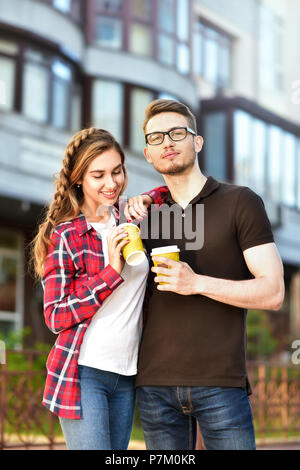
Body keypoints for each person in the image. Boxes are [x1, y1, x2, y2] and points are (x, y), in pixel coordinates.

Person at [134, 99, 285, 450]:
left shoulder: (240, 202)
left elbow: (274, 292)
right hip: (154, 386)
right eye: (156, 138)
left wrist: (196, 283)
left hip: (221, 383)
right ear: (147, 153)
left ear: (197, 142)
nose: (167, 143)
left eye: (176, 133)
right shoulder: (145, 214)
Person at [30, 127, 156, 450]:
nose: (111, 183)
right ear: (78, 180)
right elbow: (55, 315)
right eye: (98, 175)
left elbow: (169, 196)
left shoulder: (131, 217)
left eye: (117, 171)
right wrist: (111, 272)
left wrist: (147, 198)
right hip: (84, 373)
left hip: (126, 374)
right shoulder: (67, 235)